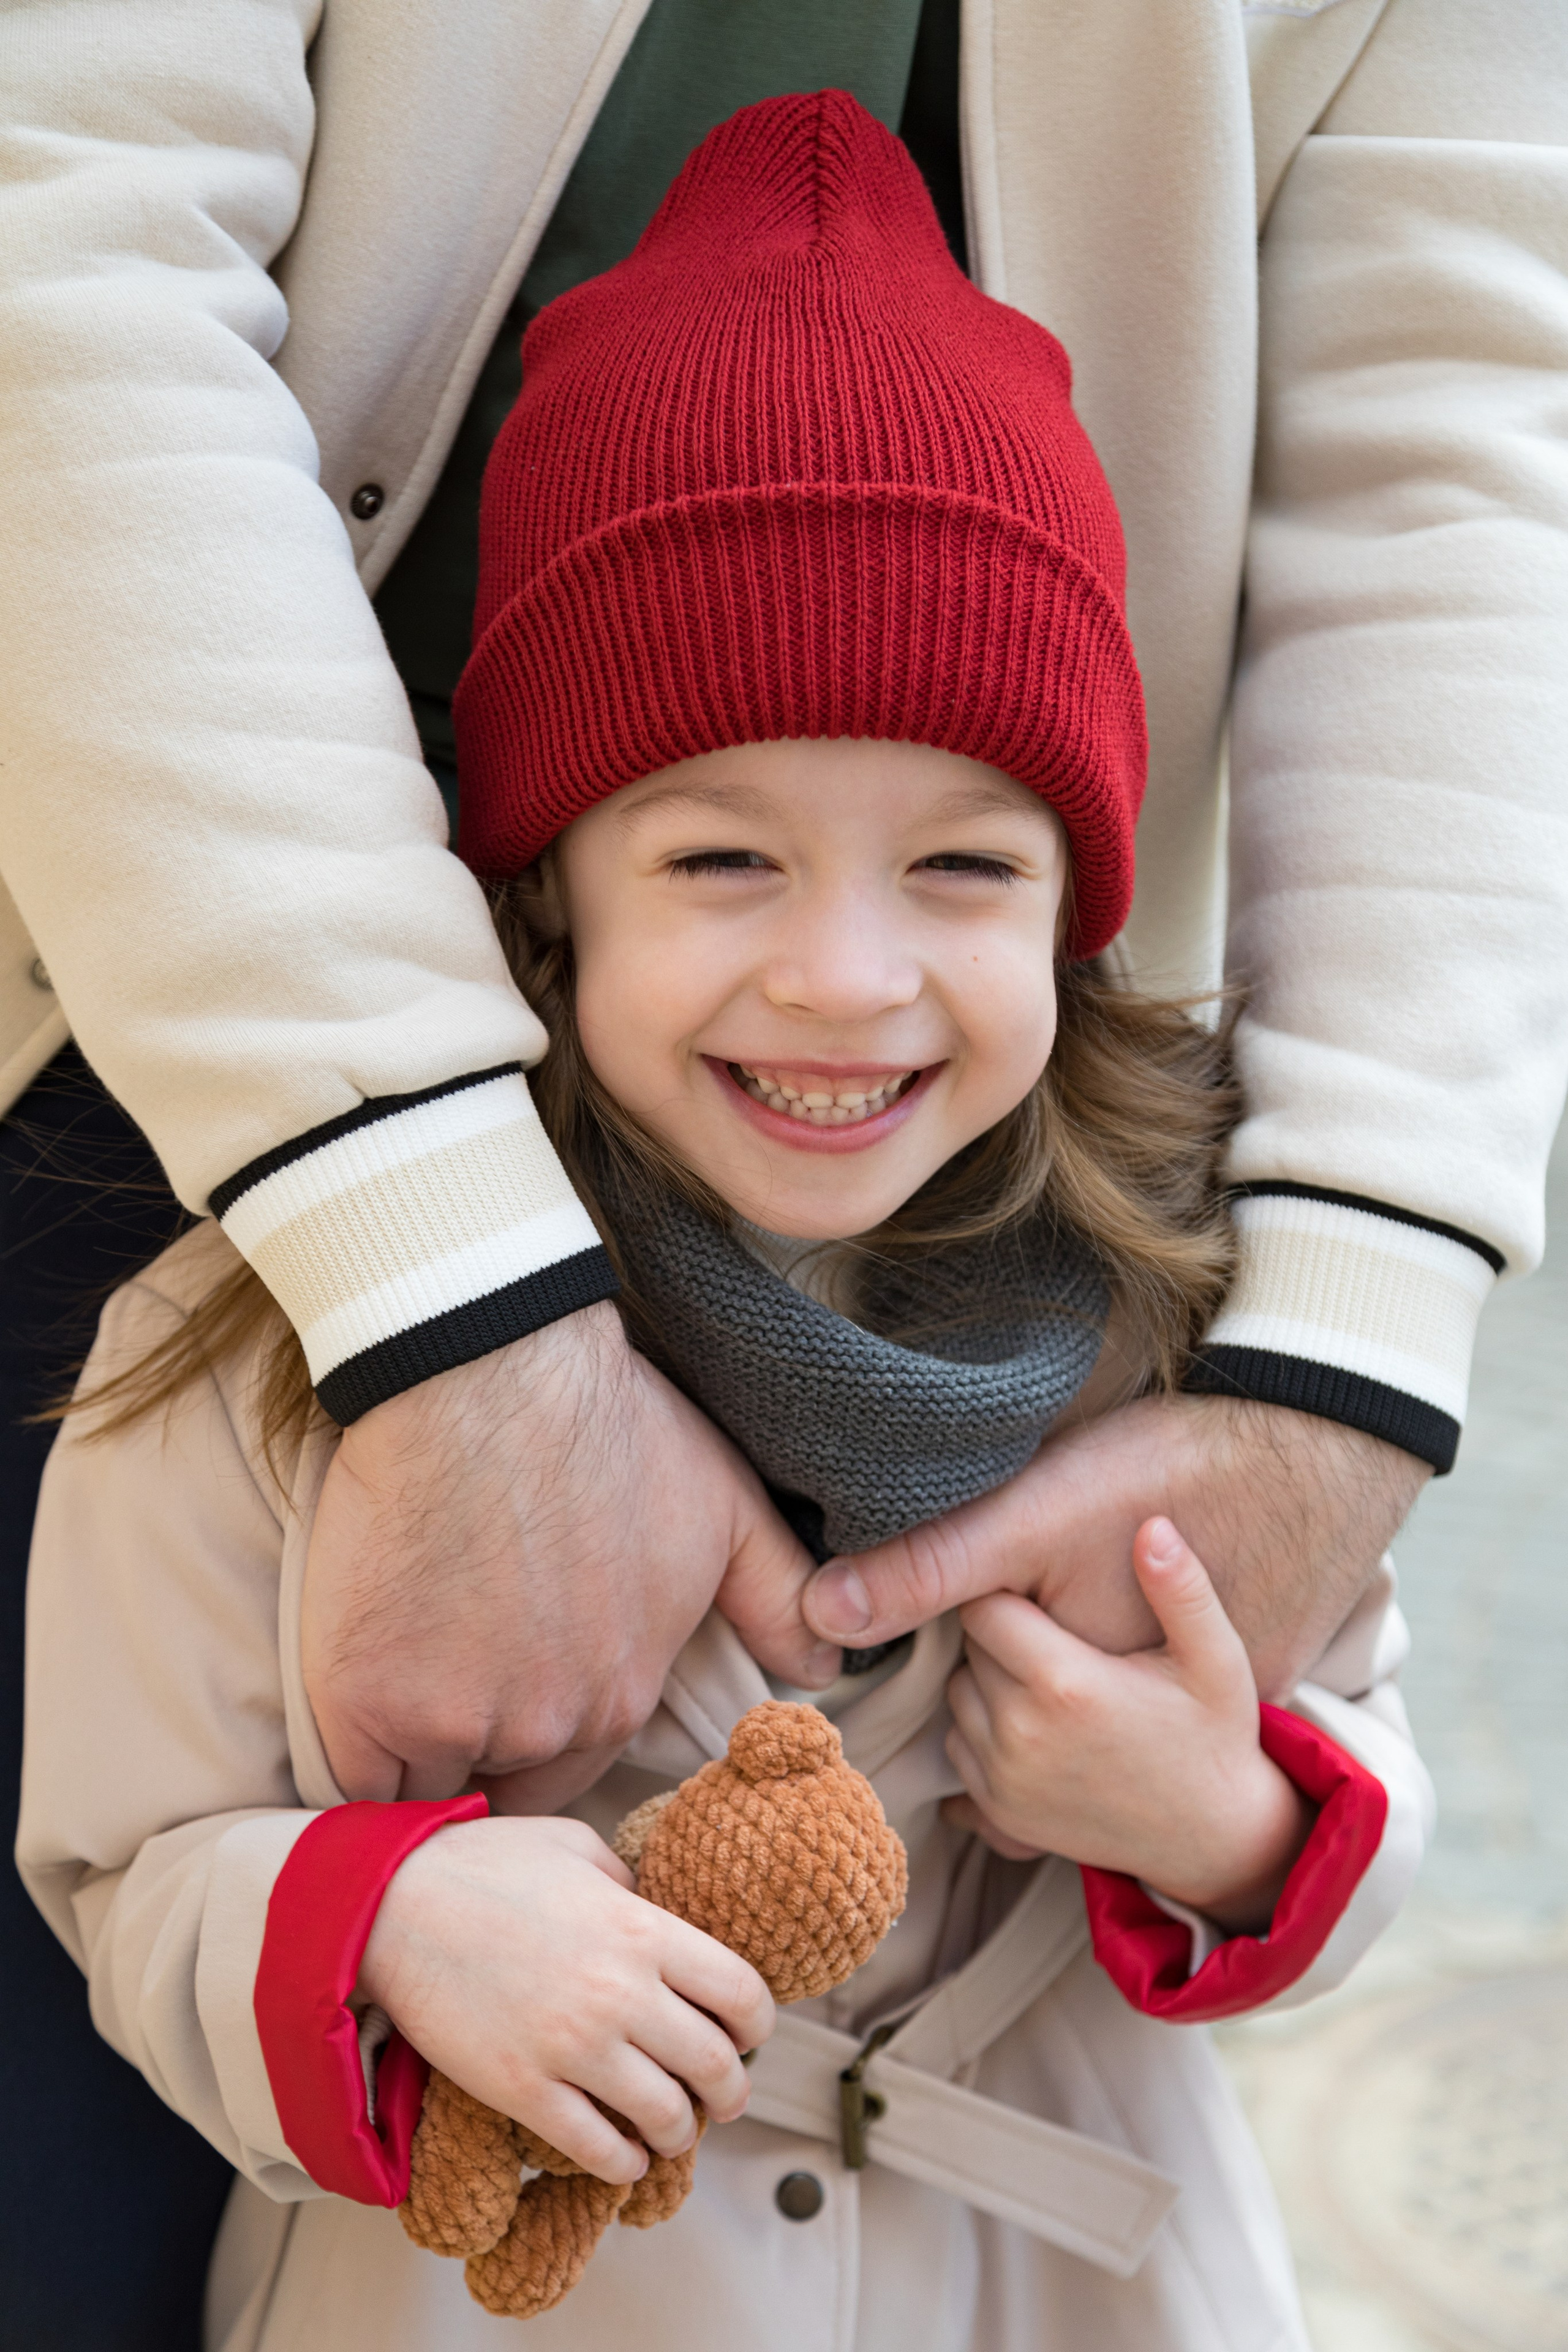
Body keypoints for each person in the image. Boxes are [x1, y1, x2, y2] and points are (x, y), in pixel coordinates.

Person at [2, 3, 1564, 2340]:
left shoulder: (1168, 1326)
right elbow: (127, 1865)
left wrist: (1220, 1823)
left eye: (961, 867)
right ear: (549, 891)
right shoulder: (236, 1355)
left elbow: (1341, 1761)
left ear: (1079, 901)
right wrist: (401, 1925)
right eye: (721, 857)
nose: (846, 979)